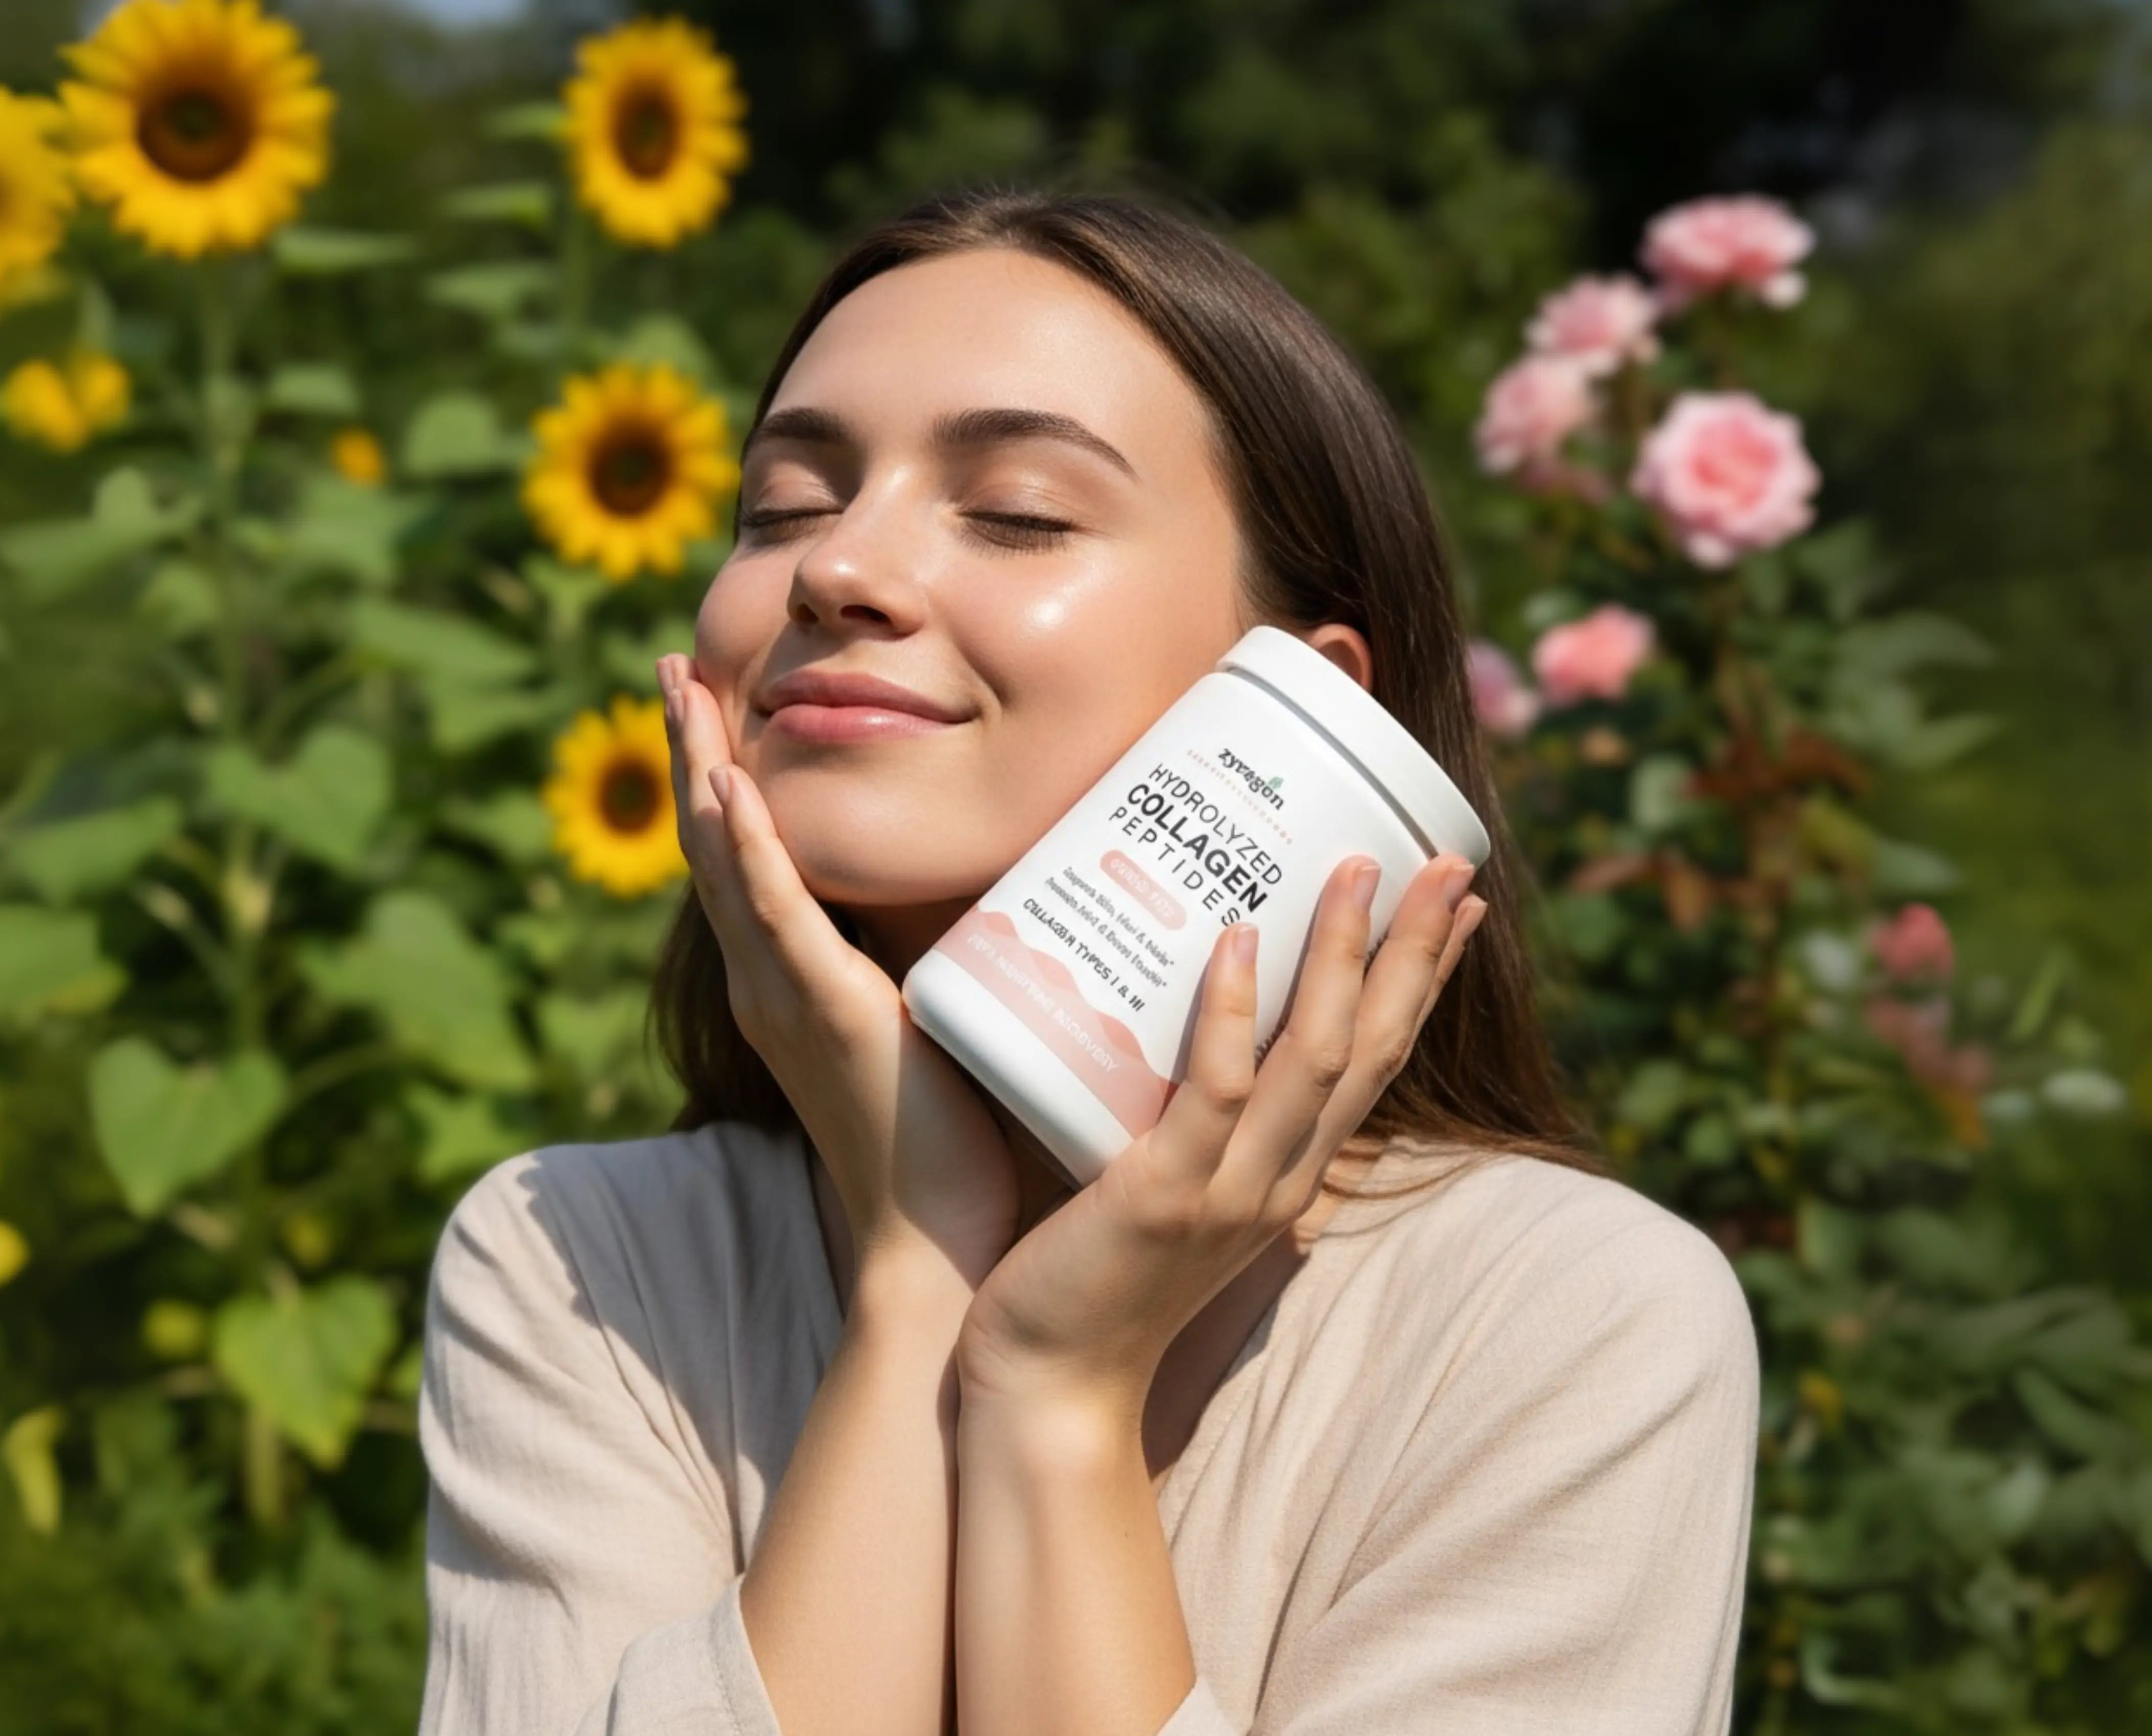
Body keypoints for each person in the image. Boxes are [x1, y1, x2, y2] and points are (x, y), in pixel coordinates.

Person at [415, 189, 1761, 1736]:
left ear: (1296, 706)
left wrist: (1056, 1393)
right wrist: (920, 1273)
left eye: (1016, 512)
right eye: (784, 504)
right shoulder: (579, 1266)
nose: (833, 570)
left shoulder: (1567, 1324)